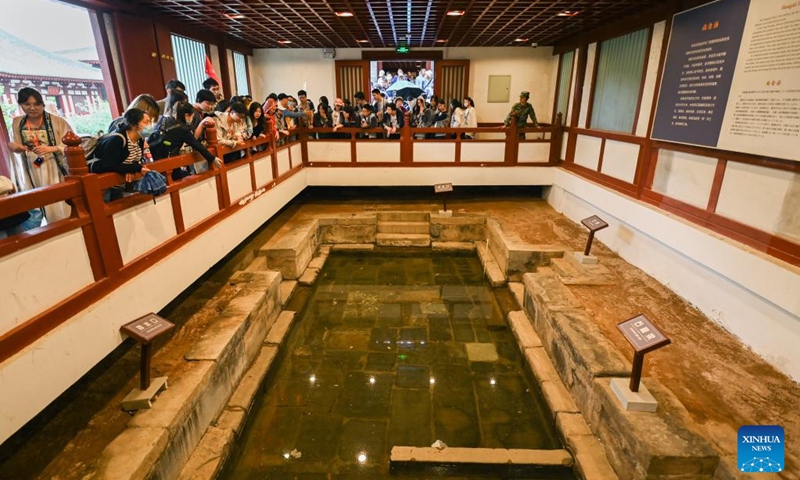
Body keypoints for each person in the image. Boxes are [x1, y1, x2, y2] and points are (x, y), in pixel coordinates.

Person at [7, 88, 74, 224]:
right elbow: (17, 146)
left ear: (42, 104)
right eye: (27, 104)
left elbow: (73, 146)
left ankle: (63, 224)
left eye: (36, 104)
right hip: (32, 167)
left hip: (54, 166)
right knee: (36, 202)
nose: (32, 108)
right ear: (21, 105)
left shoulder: (57, 121)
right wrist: (14, 147)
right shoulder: (17, 123)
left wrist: (53, 148)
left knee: (58, 202)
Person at [89, 108, 152, 201]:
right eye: (146, 122)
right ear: (133, 124)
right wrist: (135, 168)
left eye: (150, 122)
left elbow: (132, 162)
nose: (149, 126)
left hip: (119, 184)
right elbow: (109, 164)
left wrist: (131, 168)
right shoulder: (117, 139)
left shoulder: (140, 139)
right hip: (103, 184)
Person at [149, 101, 221, 175]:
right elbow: (197, 145)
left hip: (154, 159)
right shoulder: (183, 129)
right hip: (170, 162)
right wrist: (213, 158)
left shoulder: (162, 119)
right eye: (192, 116)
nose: (192, 119)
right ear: (186, 115)